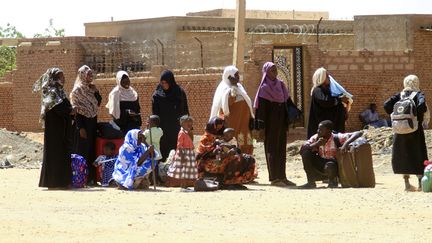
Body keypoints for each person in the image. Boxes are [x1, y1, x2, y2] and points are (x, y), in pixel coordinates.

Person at [254, 62, 296, 187]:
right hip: (270, 125)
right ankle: (274, 178)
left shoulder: (281, 85)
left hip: (281, 123)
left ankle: (282, 176)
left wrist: (291, 119)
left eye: (275, 70)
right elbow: (261, 111)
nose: (275, 73)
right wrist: (261, 128)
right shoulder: (264, 89)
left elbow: (287, 103)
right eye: (272, 71)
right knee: (272, 149)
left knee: (281, 149)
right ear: (266, 72)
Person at [384, 74, 429, 191]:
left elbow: (386, 105)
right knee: (418, 154)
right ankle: (420, 183)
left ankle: (407, 184)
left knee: (402, 155)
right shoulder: (418, 94)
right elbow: (422, 106)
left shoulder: (400, 95)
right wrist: (417, 116)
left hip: (399, 131)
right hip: (415, 130)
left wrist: (397, 117)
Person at [33, 68, 75, 189]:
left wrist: (71, 110)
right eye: (61, 77)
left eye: (63, 76)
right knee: (54, 155)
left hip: (62, 130)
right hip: (54, 131)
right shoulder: (50, 92)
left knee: (63, 154)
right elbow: (58, 109)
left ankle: (62, 182)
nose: (63, 79)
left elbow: (65, 105)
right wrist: (70, 111)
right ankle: (53, 183)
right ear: (54, 78)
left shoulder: (60, 91)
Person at [299, 120, 363, 189]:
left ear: (329, 131)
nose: (318, 131)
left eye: (321, 130)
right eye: (318, 129)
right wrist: (316, 144)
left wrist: (345, 144)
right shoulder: (316, 138)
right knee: (306, 153)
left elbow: (359, 133)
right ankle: (311, 182)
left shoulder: (336, 137)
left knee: (330, 165)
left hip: (333, 165)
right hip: (320, 163)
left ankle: (332, 181)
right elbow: (302, 149)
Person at [196, 117, 256, 189]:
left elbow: (229, 148)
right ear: (213, 126)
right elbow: (207, 153)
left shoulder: (218, 137)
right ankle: (228, 182)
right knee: (235, 159)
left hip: (218, 159)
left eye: (220, 128)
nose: (218, 129)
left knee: (247, 158)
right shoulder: (205, 138)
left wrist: (229, 150)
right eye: (217, 127)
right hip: (206, 163)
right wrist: (221, 150)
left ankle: (236, 181)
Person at [210, 65, 255, 154]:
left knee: (247, 147)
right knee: (235, 151)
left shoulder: (240, 87)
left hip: (244, 125)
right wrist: (233, 87)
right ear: (230, 77)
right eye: (236, 75)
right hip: (233, 126)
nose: (239, 77)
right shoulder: (225, 89)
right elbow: (225, 107)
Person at [70, 65, 102, 184]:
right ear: (82, 75)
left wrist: (96, 91)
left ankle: (91, 178)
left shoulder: (90, 89)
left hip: (92, 122)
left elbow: (98, 102)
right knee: (82, 151)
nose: (90, 76)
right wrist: (81, 127)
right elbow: (76, 110)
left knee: (91, 150)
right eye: (88, 74)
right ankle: (80, 177)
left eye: (91, 74)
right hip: (82, 124)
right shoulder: (77, 90)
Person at [152, 70, 189, 161]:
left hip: (176, 127)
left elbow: (184, 110)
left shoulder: (179, 92)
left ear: (171, 81)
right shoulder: (157, 95)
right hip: (163, 129)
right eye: (162, 83)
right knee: (163, 151)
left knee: (177, 149)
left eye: (166, 83)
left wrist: (187, 126)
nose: (164, 85)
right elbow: (155, 113)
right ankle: (163, 171)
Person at [307, 67, 349, 139]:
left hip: (334, 127)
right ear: (322, 77)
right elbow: (326, 102)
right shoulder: (317, 90)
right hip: (323, 129)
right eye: (326, 76)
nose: (329, 77)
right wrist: (339, 99)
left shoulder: (330, 90)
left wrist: (344, 112)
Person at [166, 115, 198, 191]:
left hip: (189, 153)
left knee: (187, 170)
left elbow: (191, 142)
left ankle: (185, 186)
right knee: (183, 170)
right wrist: (182, 156)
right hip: (183, 153)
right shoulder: (181, 133)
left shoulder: (187, 132)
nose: (190, 125)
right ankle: (183, 186)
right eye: (188, 123)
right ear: (183, 123)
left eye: (191, 124)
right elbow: (179, 145)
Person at [106, 70, 142, 134]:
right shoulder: (115, 93)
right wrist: (127, 112)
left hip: (134, 124)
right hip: (121, 126)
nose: (126, 83)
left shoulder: (133, 92)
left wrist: (135, 114)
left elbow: (137, 108)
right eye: (124, 81)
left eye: (127, 81)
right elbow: (113, 112)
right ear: (119, 82)